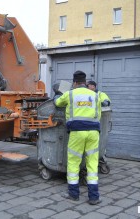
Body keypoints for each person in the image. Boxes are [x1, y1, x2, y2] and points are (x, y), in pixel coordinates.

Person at [54, 71, 107, 205]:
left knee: (73, 162)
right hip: (93, 133)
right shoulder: (95, 95)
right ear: (85, 82)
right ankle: (94, 197)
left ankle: (73, 194)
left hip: (77, 132)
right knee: (92, 163)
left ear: (75, 83)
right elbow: (105, 102)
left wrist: (57, 95)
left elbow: (57, 103)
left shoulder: (70, 94)